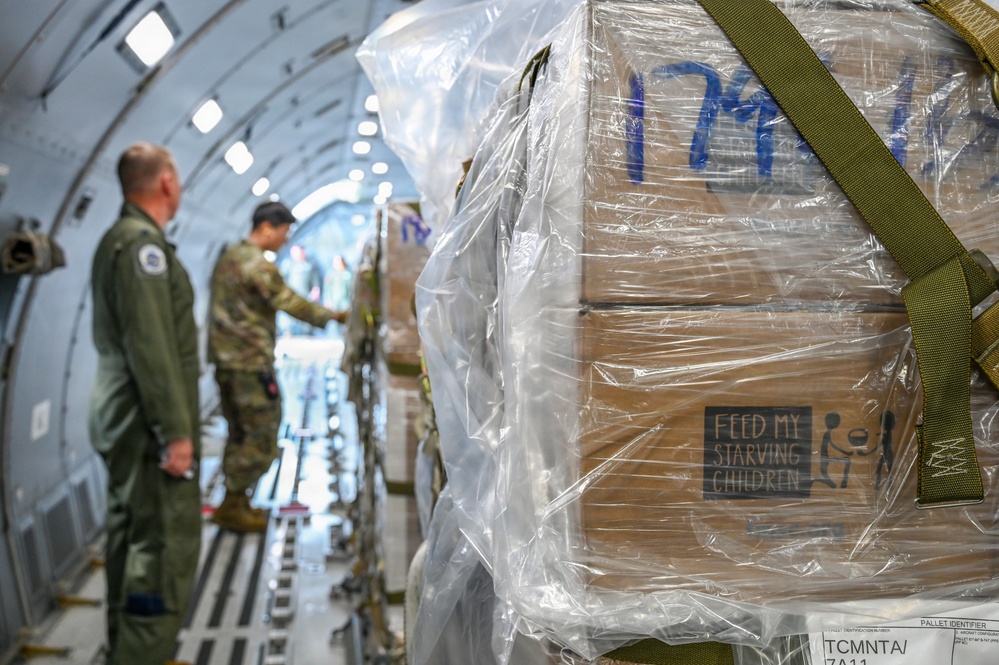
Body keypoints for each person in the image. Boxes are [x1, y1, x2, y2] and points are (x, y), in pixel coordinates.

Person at [88, 142, 201, 665]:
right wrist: (176, 433)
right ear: (166, 183)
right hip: (145, 421)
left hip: (126, 416)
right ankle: (142, 652)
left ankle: (127, 648)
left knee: (129, 535)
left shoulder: (122, 240)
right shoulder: (141, 249)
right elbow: (151, 346)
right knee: (158, 547)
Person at [208, 201, 348, 532]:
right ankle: (232, 503)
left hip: (227, 363)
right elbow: (288, 301)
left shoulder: (229, 257)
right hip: (250, 363)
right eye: (284, 232)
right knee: (263, 435)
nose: (285, 241)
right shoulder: (256, 265)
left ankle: (236, 502)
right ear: (267, 228)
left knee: (239, 433)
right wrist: (334, 316)